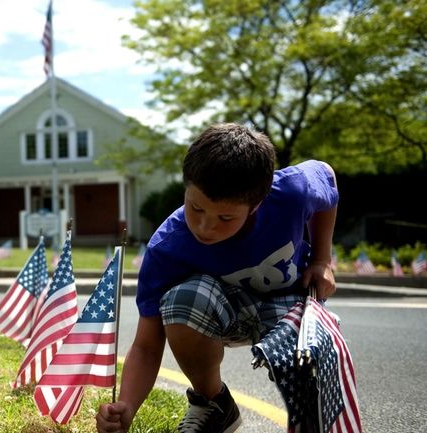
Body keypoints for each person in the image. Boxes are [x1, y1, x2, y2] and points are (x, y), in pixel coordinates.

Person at [96, 123, 338, 433]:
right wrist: (127, 405)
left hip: (290, 304)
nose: (205, 227)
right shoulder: (167, 248)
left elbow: (327, 177)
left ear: (257, 204)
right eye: (195, 207)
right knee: (180, 302)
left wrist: (321, 260)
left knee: (310, 374)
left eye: (225, 218)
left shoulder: (292, 191)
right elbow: (146, 345)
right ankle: (213, 404)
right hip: (224, 313)